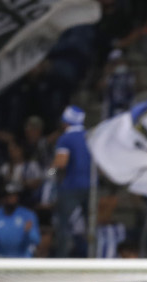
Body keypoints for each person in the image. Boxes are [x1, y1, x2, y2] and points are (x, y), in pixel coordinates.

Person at [49, 105, 92, 258]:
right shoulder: (90, 135)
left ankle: (62, 258)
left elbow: (60, 163)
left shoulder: (66, 138)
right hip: (91, 186)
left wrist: (49, 173)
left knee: (63, 225)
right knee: (91, 225)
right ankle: (93, 257)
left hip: (71, 186)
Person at [0, 183, 41, 258]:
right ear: (3, 198)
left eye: (14, 195)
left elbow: (36, 241)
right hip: (0, 260)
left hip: (23, 259)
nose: (11, 199)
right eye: (8, 196)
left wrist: (28, 233)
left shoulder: (28, 215)